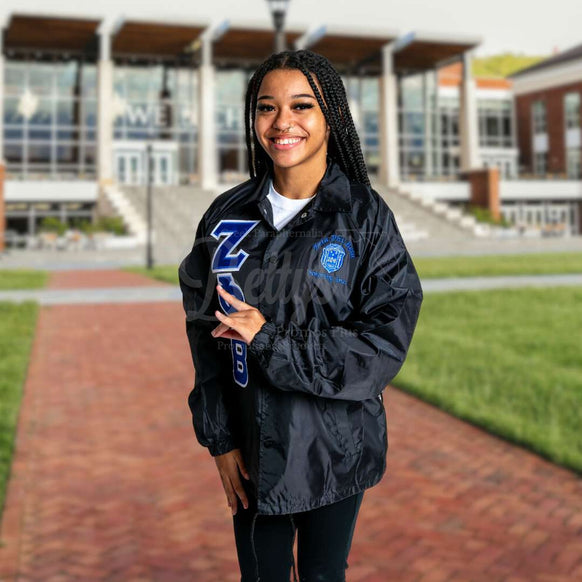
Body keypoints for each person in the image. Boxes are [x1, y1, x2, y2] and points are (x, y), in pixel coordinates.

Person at [179, 49, 424, 582]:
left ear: (329, 117)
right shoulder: (225, 216)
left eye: (301, 106)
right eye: (267, 107)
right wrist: (220, 439)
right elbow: (205, 340)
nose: (282, 122)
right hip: (252, 453)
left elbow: (379, 349)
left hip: (334, 450)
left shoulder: (364, 217)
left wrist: (270, 342)